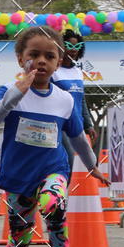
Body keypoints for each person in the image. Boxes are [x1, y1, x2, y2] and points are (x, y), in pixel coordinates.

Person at [0, 25, 109, 247]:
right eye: (34, 54)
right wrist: (14, 94)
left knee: (53, 203)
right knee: (19, 240)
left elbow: (77, 138)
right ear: (20, 58)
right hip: (19, 177)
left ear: (59, 60)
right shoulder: (9, 92)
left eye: (49, 56)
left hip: (54, 169)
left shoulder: (63, 99)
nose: (41, 61)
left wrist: (93, 167)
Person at [50, 28, 97, 178]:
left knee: (72, 162)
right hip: (58, 124)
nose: (73, 50)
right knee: (68, 160)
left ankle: (57, 195)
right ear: (61, 47)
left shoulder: (77, 71)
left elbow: (81, 100)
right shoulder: (54, 70)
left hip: (75, 124)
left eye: (77, 47)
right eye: (69, 46)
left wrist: (88, 125)